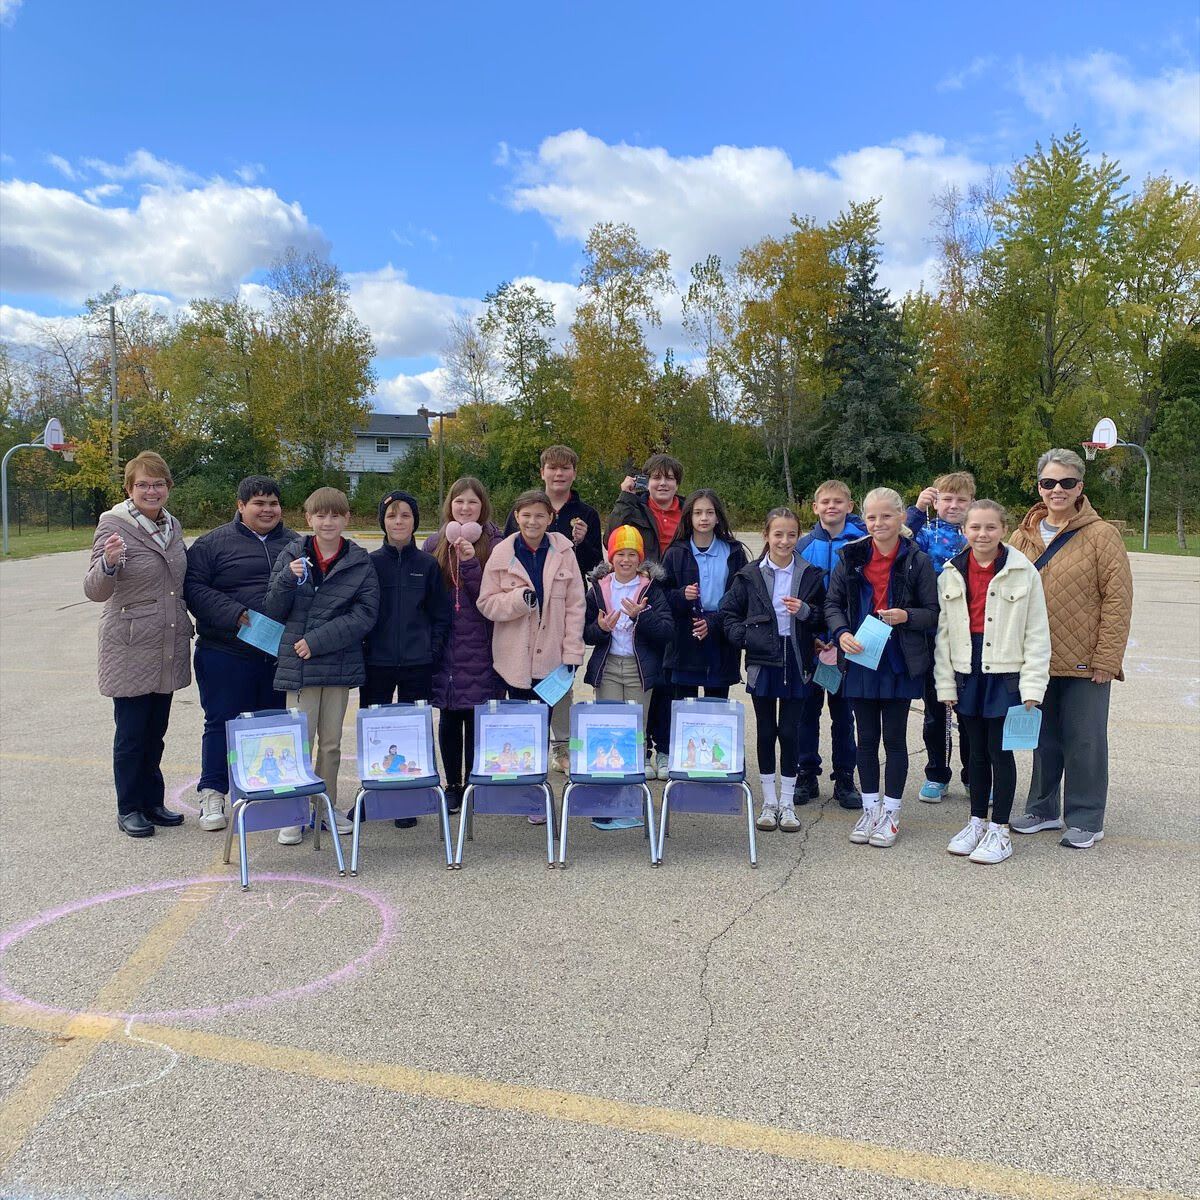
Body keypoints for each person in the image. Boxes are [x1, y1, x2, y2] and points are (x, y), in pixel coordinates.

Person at [1006, 449, 1133, 849]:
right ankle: (1042, 809)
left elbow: (1118, 599)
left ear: (1080, 486)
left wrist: (1107, 658)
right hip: (1034, 659)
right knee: (1042, 738)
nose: (1056, 490)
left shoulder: (1101, 535)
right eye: (1048, 482)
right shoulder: (1021, 536)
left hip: (1084, 659)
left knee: (1085, 739)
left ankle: (1086, 816)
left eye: (1066, 482)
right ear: (1039, 486)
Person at [84, 451, 193, 839]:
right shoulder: (114, 525)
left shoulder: (172, 526)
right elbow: (95, 590)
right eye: (143, 484)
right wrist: (109, 563)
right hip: (129, 646)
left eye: (158, 483)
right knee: (131, 734)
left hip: (165, 642)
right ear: (130, 489)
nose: (152, 490)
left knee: (155, 731)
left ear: (168, 488)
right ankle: (129, 807)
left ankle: (152, 801)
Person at [935, 500, 1051, 864]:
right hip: (967, 669)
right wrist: (946, 685)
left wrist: (1032, 687)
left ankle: (1000, 829)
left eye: (990, 527)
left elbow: (1036, 633)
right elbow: (943, 635)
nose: (982, 534)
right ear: (964, 531)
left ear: (1003, 529)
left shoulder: (1023, 571)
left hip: (1006, 673)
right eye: (975, 528)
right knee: (976, 751)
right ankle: (976, 822)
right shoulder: (950, 572)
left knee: (1001, 753)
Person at [263, 487, 380, 845]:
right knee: (298, 743)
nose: (327, 522)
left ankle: (323, 807)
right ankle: (294, 811)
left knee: (330, 744)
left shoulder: (360, 561)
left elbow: (365, 615)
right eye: (320, 515)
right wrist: (286, 579)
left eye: (335, 515)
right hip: (298, 669)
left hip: (337, 665)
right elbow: (272, 609)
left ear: (346, 518)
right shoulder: (292, 554)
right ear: (308, 519)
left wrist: (317, 641)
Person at [825, 487, 939, 849]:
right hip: (860, 658)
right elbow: (833, 604)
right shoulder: (851, 556)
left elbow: (933, 613)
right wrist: (841, 632)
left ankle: (891, 812)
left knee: (893, 739)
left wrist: (907, 615)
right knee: (865, 740)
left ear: (902, 517)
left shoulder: (916, 560)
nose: (878, 523)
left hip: (898, 662)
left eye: (886, 516)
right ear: (864, 518)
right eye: (872, 517)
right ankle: (870, 807)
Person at [184, 475, 295, 832]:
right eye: (259, 503)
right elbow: (193, 588)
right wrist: (234, 613)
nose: (267, 510)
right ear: (241, 506)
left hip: (276, 654)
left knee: (272, 725)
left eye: (273, 503)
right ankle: (213, 791)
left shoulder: (296, 543)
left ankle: (268, 793)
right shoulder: (212, 544)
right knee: (221, 723)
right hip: (225, 650)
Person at [478, 489, 586, 820]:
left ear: (551, 519)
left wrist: (572, 652)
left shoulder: (565, 551)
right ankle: (524, 791)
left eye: (540, 515)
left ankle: (538, 793)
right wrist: (517, 600)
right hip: (514, 660)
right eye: (526, 515)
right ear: (517, 517)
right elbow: (486, 603)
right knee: (521, 729)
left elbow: (575, 605)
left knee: (545, 724)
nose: (532, 521)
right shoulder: (501, 553)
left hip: (552, 657)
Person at [720, 507, 825, 834]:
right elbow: (727, 614)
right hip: (762, 662)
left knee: (790, 732)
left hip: (796, 661)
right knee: (766, 730)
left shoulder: (810, 574)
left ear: (798, 537)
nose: (784, 540)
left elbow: (824, 616)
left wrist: (806, 611)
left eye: (791, 534)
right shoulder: (750, 575)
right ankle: (768, 802)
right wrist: (747, 638)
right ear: (766, 536)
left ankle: (788, 803)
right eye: (777, 534)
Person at [504, 447, 603, 770]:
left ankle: (563, 748)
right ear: (542, 471)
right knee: (524, 679)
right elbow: (508, 556)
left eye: (565, 469)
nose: (559, 474)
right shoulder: (525, 507)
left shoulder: (585, 513)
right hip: (527, 610)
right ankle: (526, 747)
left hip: (563, 611)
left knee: (561, 682)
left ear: (574, 472)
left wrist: (584, 542)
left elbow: (593, 567)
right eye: (552, 468)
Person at [361, 489, 451, 828]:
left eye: (405, 516)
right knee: (375, 732)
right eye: (391, 516)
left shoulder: (427, 565)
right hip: (377, 663)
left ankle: (410, 800)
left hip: (417, 663)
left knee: (414, 733)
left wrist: (431, 649)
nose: (398, 522)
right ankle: (374, 797)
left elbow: (440, 615)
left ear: (415, 521)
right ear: (382, 522)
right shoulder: (370, 564)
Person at [422, 476, 505, 813]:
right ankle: (453, 784)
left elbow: (488, 597)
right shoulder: (434, 543)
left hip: (481, 643)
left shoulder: (496, 544)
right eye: (459, 502)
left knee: (477, 717)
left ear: (482, 506)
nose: (466, 508)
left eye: (472, 502)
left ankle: (475, 783)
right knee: (449, 716)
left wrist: (470, 561)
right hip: (445, 644)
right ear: (449, 506)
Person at [582, 526, 673, 829]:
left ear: (640, 558)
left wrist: (639, 616)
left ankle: (631, 803)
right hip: (608, 668)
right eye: (620, 553)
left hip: (638, 670)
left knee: (634, 735)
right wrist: (602, 629)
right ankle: (607, 802)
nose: (626, 559)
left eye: (632, 554)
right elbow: (587, 633)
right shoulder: (598, 588)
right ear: (611, 556)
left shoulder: (651, 589)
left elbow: (666, 631)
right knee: (607, 734)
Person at [607, 453, 685, 779]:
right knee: (647, 676)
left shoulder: (689, 510)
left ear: (677, 483)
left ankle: (665, 749)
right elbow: (612, 535)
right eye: (656, 477)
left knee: (670, 681)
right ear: (646, 481)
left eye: (669, 478)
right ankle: (644, 749)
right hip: (644, 595)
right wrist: (625, 496)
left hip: (678, 597)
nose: (662, 483)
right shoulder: (636, 508)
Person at [796, 480, 866, 809]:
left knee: (843, 715)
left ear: (850, 506)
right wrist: (811, 636)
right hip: (812, 641)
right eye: (824, 502)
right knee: (807, 712)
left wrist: (843, 636)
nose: (831, 507)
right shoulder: (803, 544)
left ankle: (845, 778)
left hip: (846, 640)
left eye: (838, 501)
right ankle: (806, 773)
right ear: (815, 507)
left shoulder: (862, 544)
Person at [906, 471, 975, 804]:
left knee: (970, 710)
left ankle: (973, 775)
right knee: (935, 710)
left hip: (969, 634)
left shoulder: (976, 534)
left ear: (971, 504)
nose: (954, 505)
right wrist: (918, 510)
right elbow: (900, 542)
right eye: (947, 498)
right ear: (937, 500)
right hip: (932, 633)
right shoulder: (925, 533)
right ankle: (936, 773)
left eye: (961, 500)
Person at [660, 489, 748, 704]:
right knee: (683, 709)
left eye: (709, 512)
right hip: (684, 639)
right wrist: (681, 596)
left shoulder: (733, 552)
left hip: (720, 636)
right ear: (689, 517)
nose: (704, 518)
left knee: (716, 707)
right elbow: (661, 597)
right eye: (698, 513)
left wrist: (714, 622)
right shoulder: (675, 552)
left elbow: (741, 597)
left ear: (718, 517)